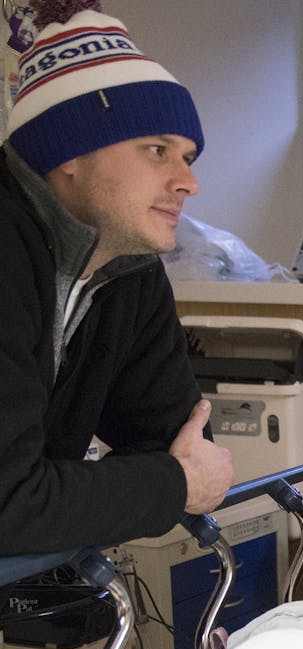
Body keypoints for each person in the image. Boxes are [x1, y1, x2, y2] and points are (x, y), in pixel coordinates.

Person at [0, 11, 233, 558]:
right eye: (157, 150)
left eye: (188, 157)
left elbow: (178, 443)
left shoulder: (126, 264)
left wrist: (168, 478)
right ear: (69, 154)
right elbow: (9, 503)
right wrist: (173, 486)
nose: (189, 182)